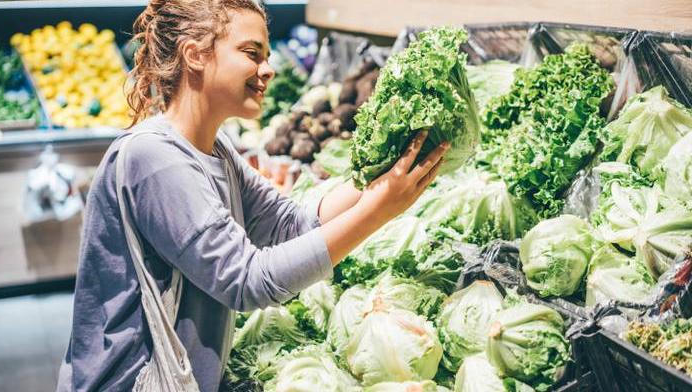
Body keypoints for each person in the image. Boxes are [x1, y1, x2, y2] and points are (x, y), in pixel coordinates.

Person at [56, 0, 449, 390]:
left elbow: (289, 224)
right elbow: (247, 281)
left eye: (268, 55)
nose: (268, 69)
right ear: (194, 55)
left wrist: (384, 175)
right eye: (251, 53)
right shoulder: (156, 158)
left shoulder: (215, 149)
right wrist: (378, 212)